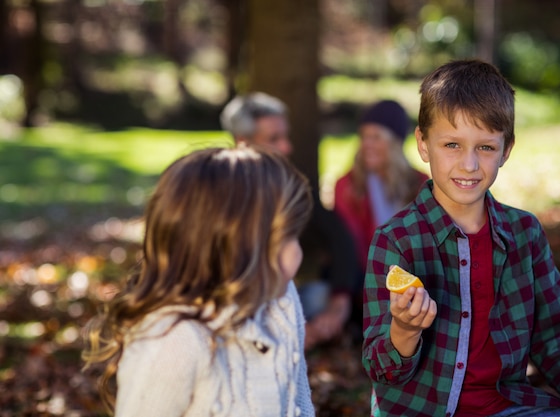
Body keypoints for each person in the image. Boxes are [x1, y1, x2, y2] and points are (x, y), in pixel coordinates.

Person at [362, 60, 560, 417]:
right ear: (422, 144)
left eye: (485, 148)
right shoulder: (396, 240)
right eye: (451, 144)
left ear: (506, 150)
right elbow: (380, 369)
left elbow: (558, 337)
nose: (468, 164)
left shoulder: (524, 234)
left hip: (509, 408)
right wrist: (403, 330)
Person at [82, 145, 316, 416]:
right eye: (288, 238)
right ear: (236, 248)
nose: (298, 250)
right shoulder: (174, 342)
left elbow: (299, 401)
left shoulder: (282, 301)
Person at [221, 92, 362, 349]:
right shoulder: (222, 193)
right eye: (274, 139)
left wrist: (339, 302)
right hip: (235, 304)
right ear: (242, 141)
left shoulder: (289, 184)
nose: (287, 147)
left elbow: (338, 237)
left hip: (283, 297)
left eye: (286, 136)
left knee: (321, 296)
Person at [334, 99, 429, 273]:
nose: (367, 145)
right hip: (366, 277)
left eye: (376, 137)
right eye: (364, 136)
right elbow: (351, 246)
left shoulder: (420, 184)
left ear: (395, 142)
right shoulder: (347, 187)